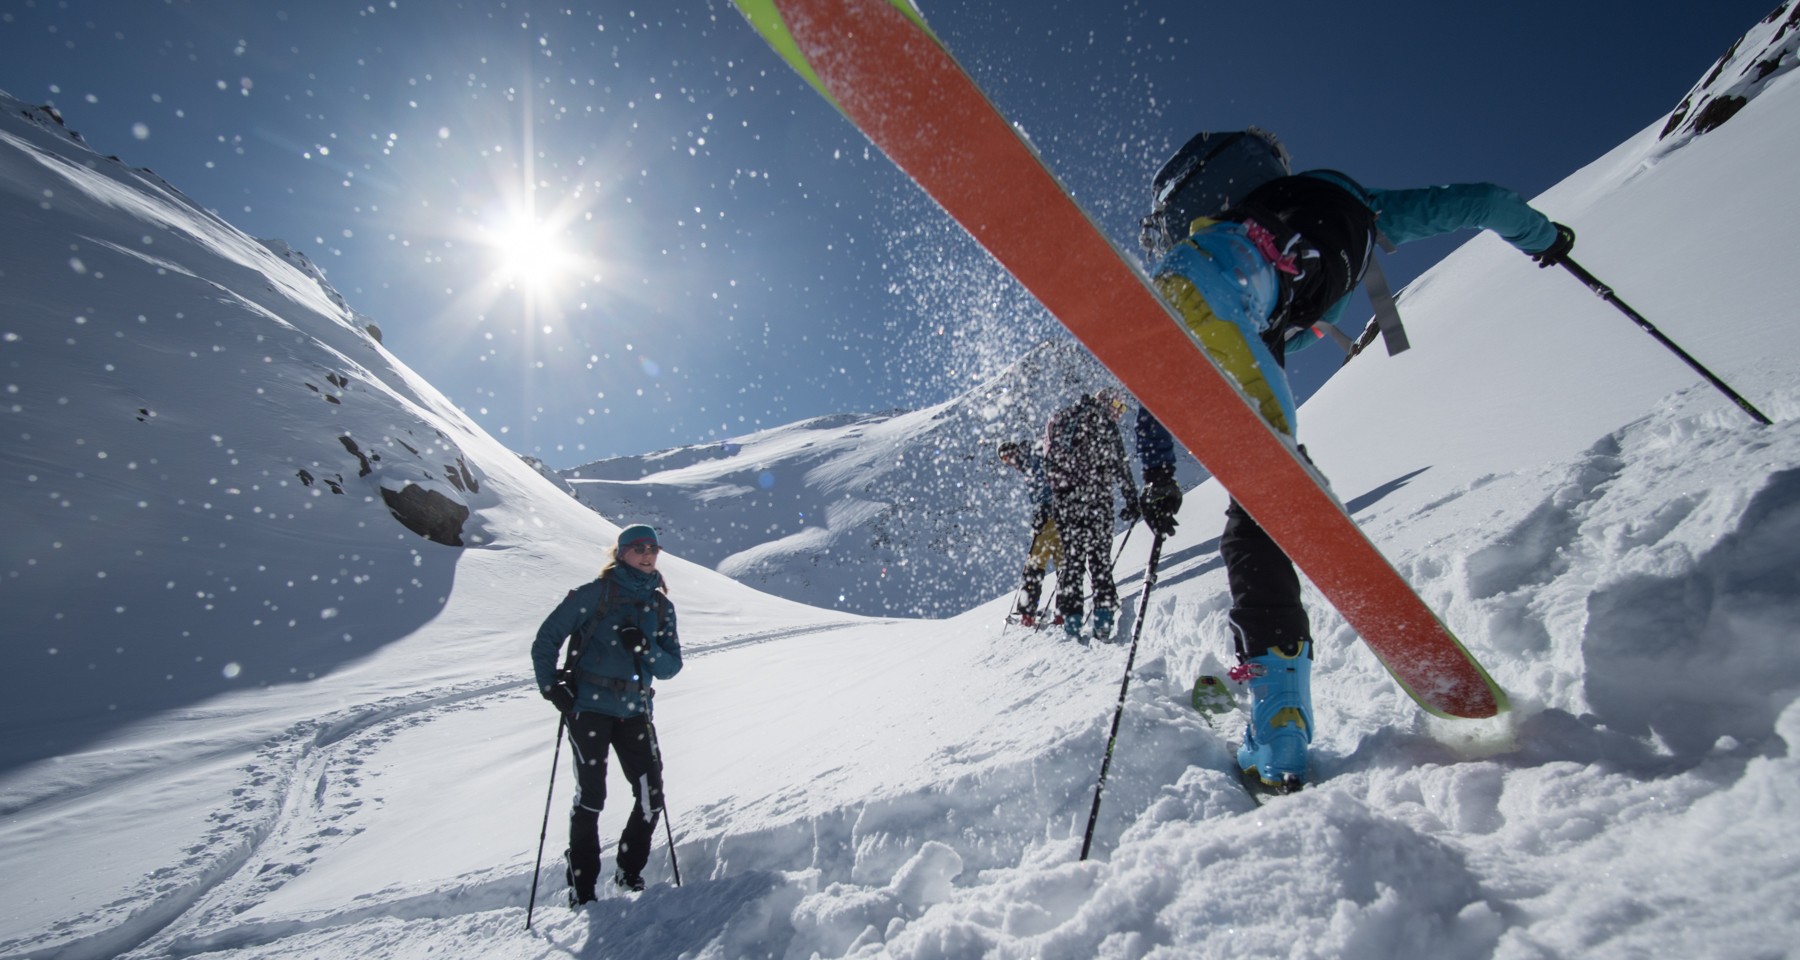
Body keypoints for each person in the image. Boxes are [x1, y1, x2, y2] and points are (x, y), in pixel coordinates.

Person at [1138, 128, 1574, 790]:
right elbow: (1484, 199)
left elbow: (1155, 377)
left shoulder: (1242, 245)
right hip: (1217, 292)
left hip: (1203, 290)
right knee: (1265, 496)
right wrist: (1544, 239)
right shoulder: (1359, 208)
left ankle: (1278, 722)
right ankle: (1279, 720)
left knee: (1261, 503)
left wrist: (1160, 476)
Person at [532, 523, 684, 902]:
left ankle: (628, 873)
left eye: (653, 547)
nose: (647, 552)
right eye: (637, 547)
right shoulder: (595, 595)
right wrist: (552, 687)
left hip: (634, 709)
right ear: (620, 553)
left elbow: (669, 668)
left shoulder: (661, 606)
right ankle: (582, 887)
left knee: (651, 796)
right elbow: (546, 639)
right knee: (591, 797)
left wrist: (644, 647)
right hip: (589, 709)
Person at [1042, 388, 1141, 642]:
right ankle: (1103, 620)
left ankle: (1072, 623)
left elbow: (1048, 463)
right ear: (1108, 403)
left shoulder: (1063, 420)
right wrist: (1131, 498)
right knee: (1099, 562)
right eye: (1118, 406)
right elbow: (1119, 463)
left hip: (1065, 503)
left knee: (1073, 564)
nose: (1119, 413)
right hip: (1097, 500)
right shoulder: (1103, 422)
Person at [998, 439, 1062, 627]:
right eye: (1004, 461)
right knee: (1063, 563)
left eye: (1007, 457)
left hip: (1049, 517)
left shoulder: (1031, 458)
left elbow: (1045, 482)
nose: (1008, 462)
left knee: (1035, 565)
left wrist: (1043, 509)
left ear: (1015, 450)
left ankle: (1027, 613)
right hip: (1060, 514)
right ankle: (1064, 611)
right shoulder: (1031, 457)